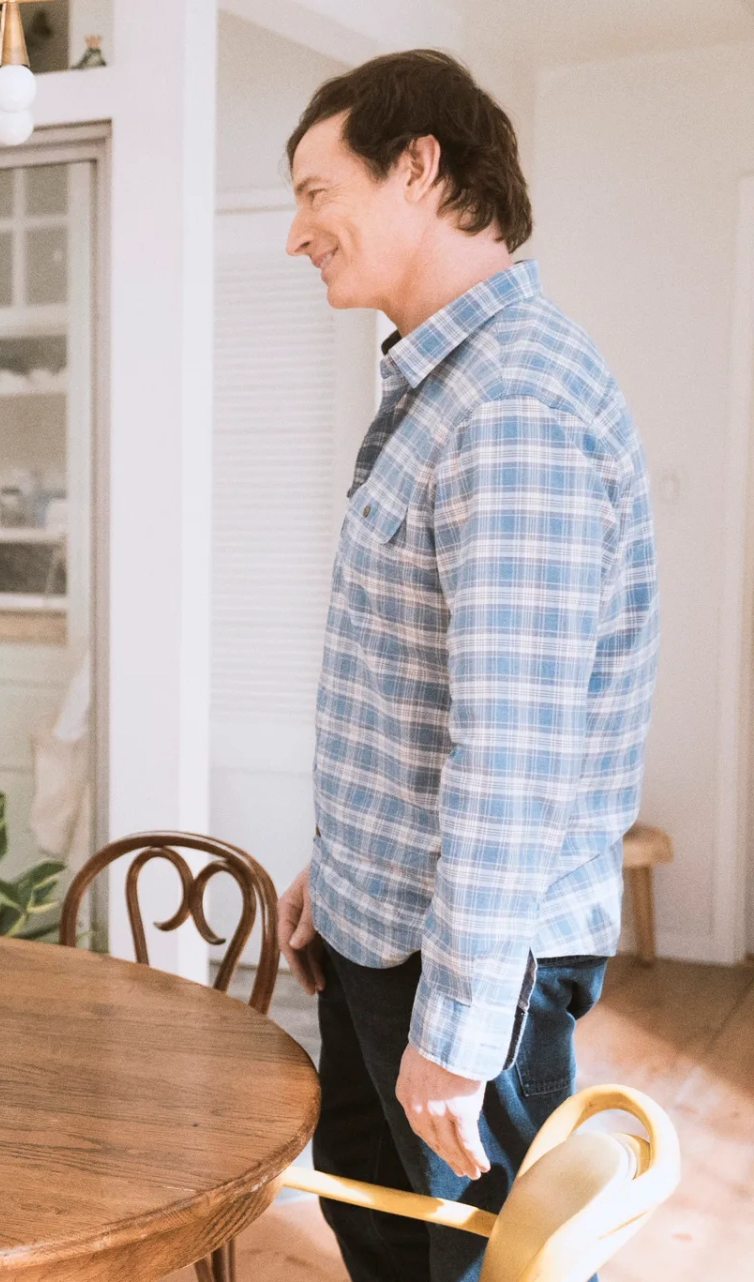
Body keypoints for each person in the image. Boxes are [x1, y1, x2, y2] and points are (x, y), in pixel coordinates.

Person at [276, 50, 658, 1282]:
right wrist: (335, 875)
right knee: (390, 1243)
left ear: (419, 168)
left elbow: (514, 755)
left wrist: (456, 1031)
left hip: (463, 970)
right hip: (390, 934)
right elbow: (422, 697)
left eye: (315, 191)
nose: (298, 233)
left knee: (499, 1268)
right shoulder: (449, 386)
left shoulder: (511, 405)